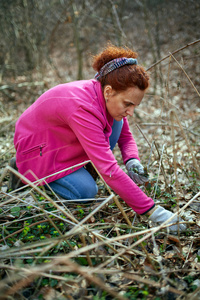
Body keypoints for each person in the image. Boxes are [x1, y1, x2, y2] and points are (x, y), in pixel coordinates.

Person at [13, 44, 186, 233]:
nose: (131, 111)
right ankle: (24, 173)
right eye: (128, 104)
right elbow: (109, 169)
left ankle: (78, 170)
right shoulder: (82, 107)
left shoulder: (104, 97)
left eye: (135, 106)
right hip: (38, 150)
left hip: (61, 140)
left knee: (117, 123)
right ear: (109, 91)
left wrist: (132, 161)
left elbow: (126, 137)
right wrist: (154, 213)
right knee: (86, 192)